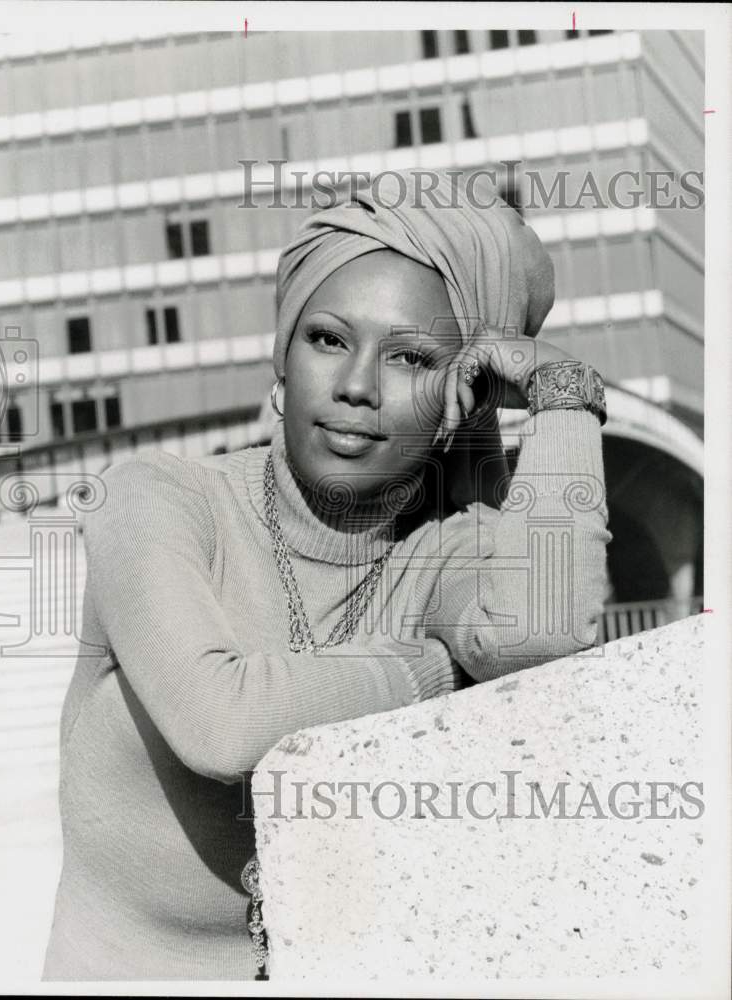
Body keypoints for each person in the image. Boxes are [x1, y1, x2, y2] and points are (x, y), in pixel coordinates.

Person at [42, 170, 611, 981]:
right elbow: (220, 724)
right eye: (326, 339)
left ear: (464, 393)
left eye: (410, 357)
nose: (353, 387)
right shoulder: (159, 500)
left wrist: (563, 396)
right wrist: (432, 668)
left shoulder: (447, 549)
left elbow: (543, 634)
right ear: (282, 362)